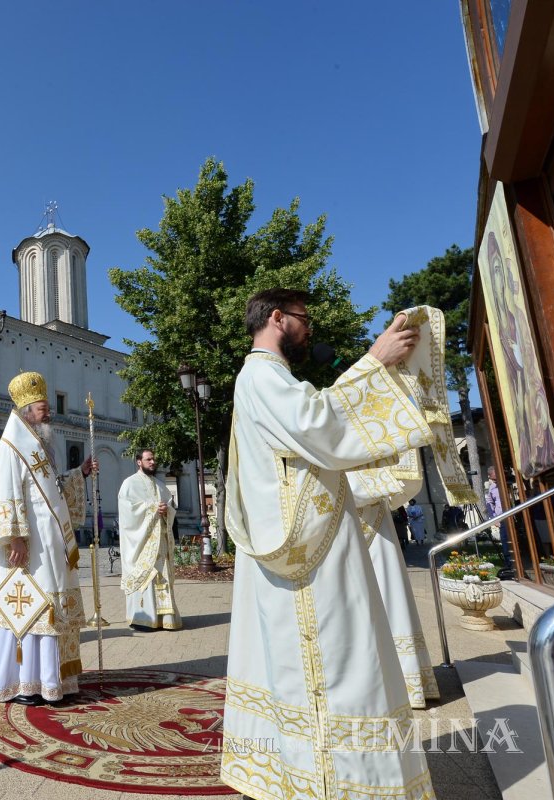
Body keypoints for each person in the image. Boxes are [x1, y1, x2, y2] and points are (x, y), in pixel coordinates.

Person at [220, 288, 433, 799]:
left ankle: (317, 777)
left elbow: (310, 429)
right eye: (303, 319)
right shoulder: (262, 376)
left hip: (300, 543)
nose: (309, 328)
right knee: (338, 663)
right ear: (277, 318)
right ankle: (338, 783)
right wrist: (373, 364)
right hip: (308, 553)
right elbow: (319, 425)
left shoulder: (271, 379)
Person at [0, 371, 94, 705]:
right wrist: (14, 537)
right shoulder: (10, 447)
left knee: (51, 610)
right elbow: (3, 493)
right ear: (26, 409)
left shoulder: (40, 446)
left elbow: (54, 489)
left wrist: (80, 474)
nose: (49, 411)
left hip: (50, 546)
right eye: (43, 406)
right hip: (26, 548)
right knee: (29, 612)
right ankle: (26, 683)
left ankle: (52, 680)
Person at [117, 448, 180, 631]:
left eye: (154, 459)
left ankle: (164, 618)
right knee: (146, 577)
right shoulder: (129, 484)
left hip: (160, 543)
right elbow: (127, 511)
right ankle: (142, 618)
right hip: (142, 544)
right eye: (148, 459)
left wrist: (167, 510)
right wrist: (152, 508)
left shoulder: (161, 485)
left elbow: (170, 507)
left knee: (161, 578)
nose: (152, 462)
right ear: (139, 461)